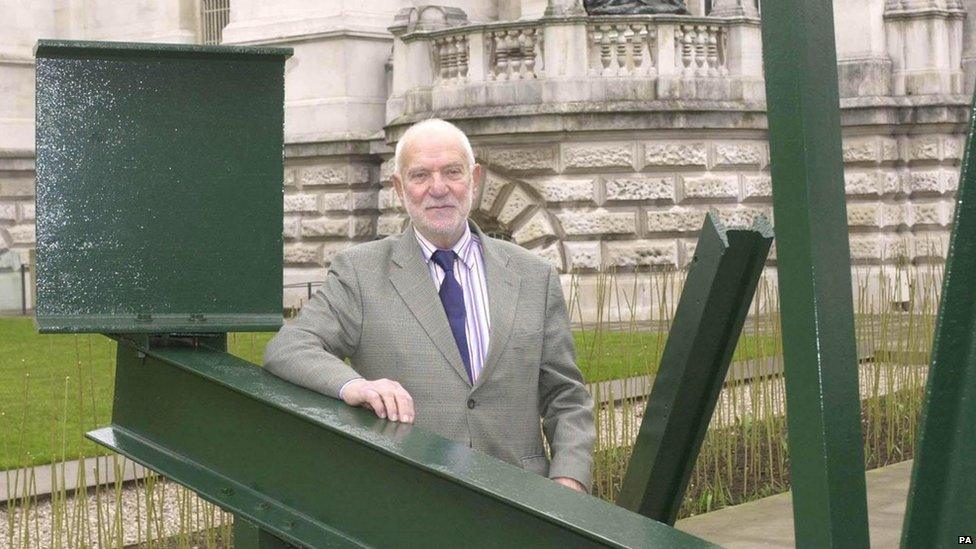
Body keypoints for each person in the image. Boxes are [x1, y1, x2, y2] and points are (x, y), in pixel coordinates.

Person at [264, 119, 595, 492]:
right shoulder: (360, 272)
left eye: (452, 172)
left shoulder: (534, 275)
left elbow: (565, 395)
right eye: (420, 175)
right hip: (409, 498)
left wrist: (570, 479)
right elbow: (289, 348)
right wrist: (354, 385)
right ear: (399, 188)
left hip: (522, 500)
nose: (438, 189)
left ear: (474, 179)